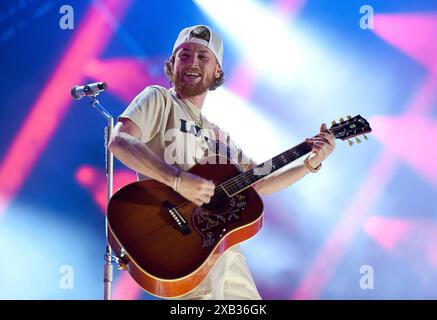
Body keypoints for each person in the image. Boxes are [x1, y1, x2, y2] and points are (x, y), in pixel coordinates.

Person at [108, 25, 336, 300]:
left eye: (203, 57)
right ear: (171, 64)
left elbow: (259, 180)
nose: (192, 62)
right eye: (184, 55)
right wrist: (177, 180)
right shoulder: (159, 98)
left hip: (223, 251)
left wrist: (309, 162)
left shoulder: (218, 135)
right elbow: (119, 141)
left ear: (217, 70)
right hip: (181, 248)